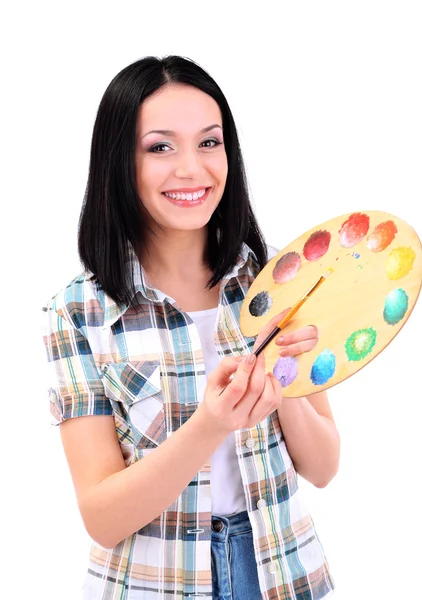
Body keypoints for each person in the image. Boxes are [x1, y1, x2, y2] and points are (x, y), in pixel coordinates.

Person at [42, 55, 340, 600]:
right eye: (160, 147)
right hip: (153, 584)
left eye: (209, 142)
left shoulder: (278, 281)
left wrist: (282, 390)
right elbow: (102, 518)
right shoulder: (77, 312)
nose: (192, 169)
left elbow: (323, 467)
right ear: (119, 163)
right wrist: (210, 423)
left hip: (281, 574)